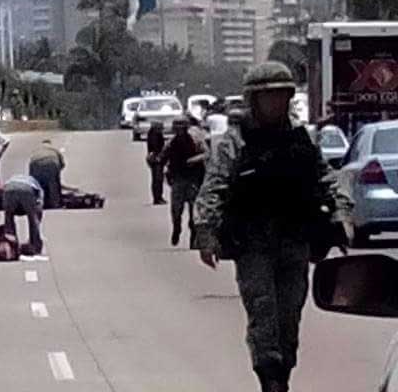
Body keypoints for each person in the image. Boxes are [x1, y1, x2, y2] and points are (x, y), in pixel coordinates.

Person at [195, 62, 354, 392]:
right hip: (253, 243)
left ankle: (283, 374)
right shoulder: (235, 142)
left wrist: (340, 218)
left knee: (289, 318)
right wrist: (206, 231)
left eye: (281, 96)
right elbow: (215, 185)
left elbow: (326, 178)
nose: (275, 103)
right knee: (263, 314)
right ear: (254, 100)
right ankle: (270, 379)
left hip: (294, 240)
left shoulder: (300, 139)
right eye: (268, 97)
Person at [159, 116, 207, 248]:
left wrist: (193, 160)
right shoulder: (171, 143)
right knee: (176, 210)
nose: (179, 130)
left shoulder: (196, 141)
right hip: (178, 179)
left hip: (193, 179)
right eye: (177, 127)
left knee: (194, 212)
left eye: (182, 127)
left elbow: (206, 154)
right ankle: (177, 228)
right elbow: (161, 157)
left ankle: (193, 236)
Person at [3, 174, 44, 255]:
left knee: (9, 217)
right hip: (27, 190)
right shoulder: (38, 187)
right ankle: (34, 245)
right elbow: (39, 206)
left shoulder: (14, 178)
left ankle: (11, 245)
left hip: (8, 189)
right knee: (32, 218)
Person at [28, 139, 65, 209]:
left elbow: (31, 164)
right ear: (50, 144)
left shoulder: (36, 150)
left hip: (35, 163)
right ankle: (55, 203)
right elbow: (62, 164)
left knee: (37, 185)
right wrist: (56, 176)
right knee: (53, 185)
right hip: (51, 163)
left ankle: (36, 202)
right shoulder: (54, 149)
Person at [146, 121, 167, 205]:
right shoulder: (153, 135)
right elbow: (155, 148)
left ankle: (159, 197)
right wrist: (158, 156)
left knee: (158, 179)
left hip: (157, 158)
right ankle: (157, 198)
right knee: (157, 179)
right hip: (156, 159)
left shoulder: (156, 134)